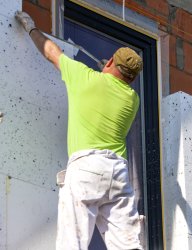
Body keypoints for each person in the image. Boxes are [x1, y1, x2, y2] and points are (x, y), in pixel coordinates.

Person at [15, 11, 144, 249]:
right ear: (132, 79)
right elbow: (113, 85)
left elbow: (52, 53)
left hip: (88, 168)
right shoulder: (132, 99)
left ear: (109, 62)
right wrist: (107, 72)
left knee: (72, 242)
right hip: (118, 173)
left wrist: (32, 28)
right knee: (127, 244)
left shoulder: (84, 78)